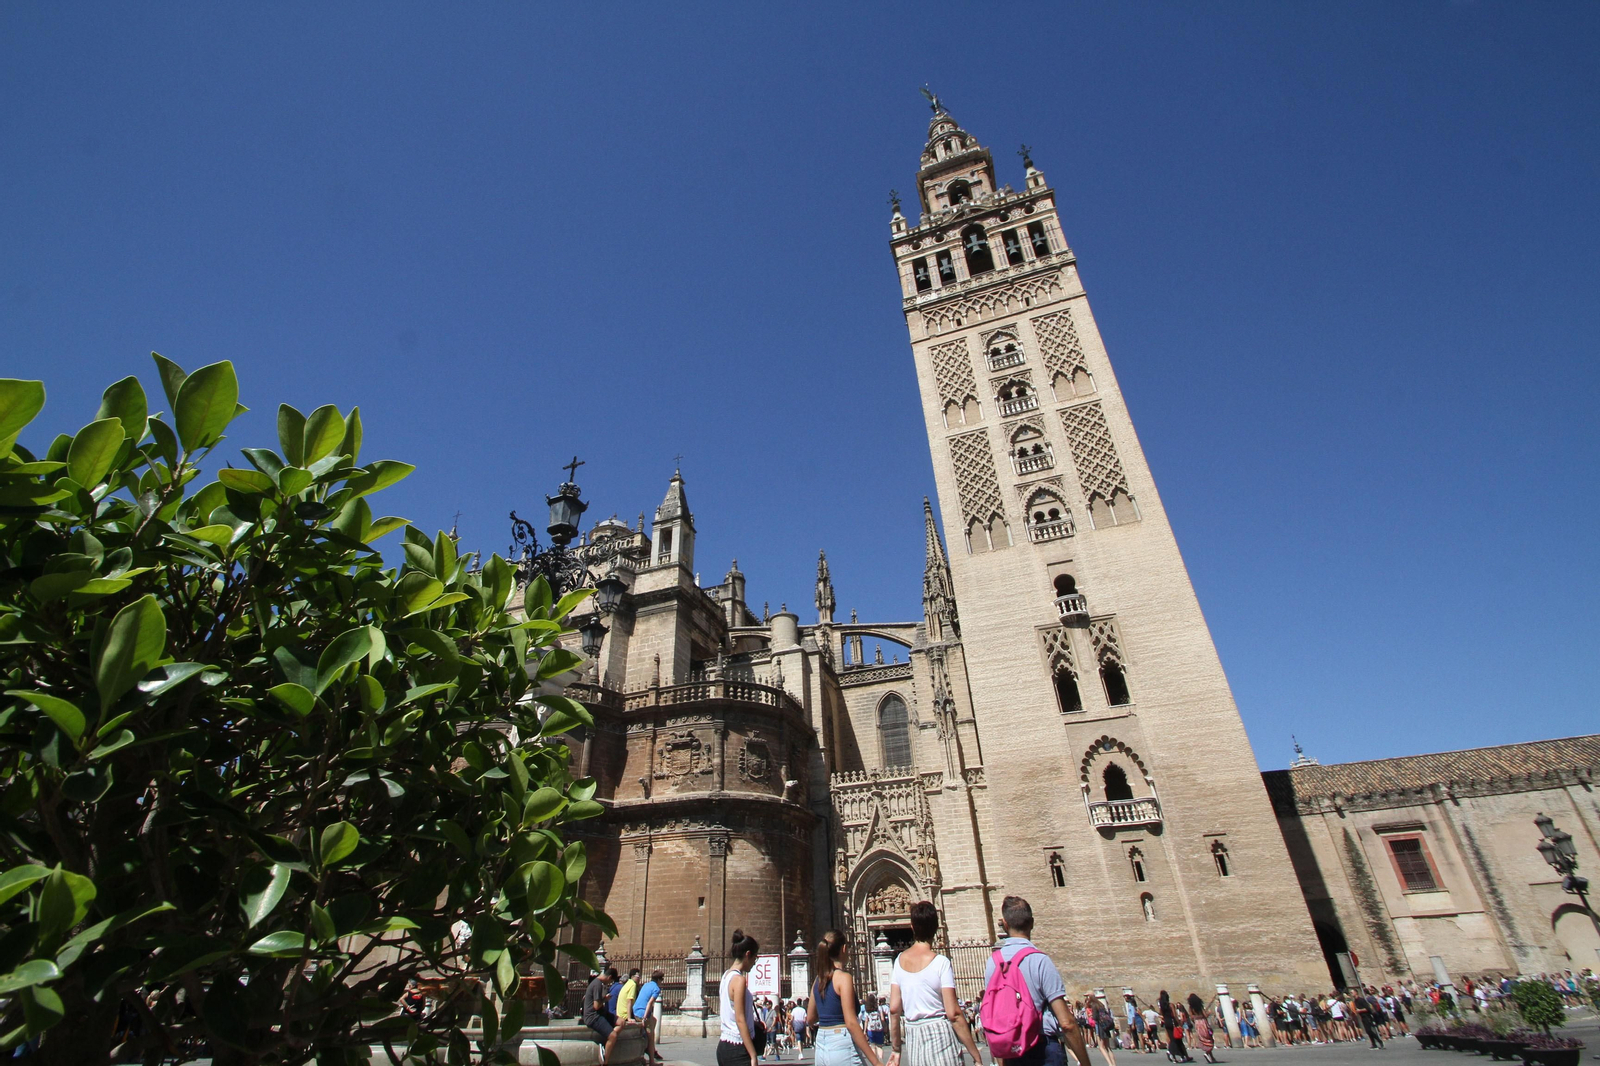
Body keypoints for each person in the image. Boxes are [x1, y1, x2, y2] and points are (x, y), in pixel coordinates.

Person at [980, 895, 1092, 1066]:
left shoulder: (993, 963)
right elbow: (1066, 1022)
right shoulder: (1039, 960)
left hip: (1012, 1052)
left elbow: (995, 1014)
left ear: (1005, 924)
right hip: (1043, 1048)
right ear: (1032, 923)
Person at [886, 899, 986, 1066]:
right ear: (936, 928)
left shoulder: (899, 961)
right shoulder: (941, 962)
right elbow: (953, 1014)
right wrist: (975, 1055)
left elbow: (894, 1009)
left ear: (912, 927)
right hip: (940, 1036)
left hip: (914, 1037)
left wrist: (896, 1050)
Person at [807, 928, 883, 1066]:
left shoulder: (818, 980)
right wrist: (876, 1062)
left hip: (821, 1045)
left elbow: (810, 1018)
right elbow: (851, 1023)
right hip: (841, 1043)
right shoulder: (844, 978)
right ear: (844, 949)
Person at [720, 930, 764, 1066]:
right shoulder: (739, 980)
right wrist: (753, 1056)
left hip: (724, 1046)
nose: (755, 963)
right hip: (738, 1049)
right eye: (755, 958)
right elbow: (740, 1019)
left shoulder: (726, 976)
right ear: (748, 954)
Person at [584, 969, 624, 1064]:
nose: (610, 983)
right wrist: (605, 1000)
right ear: (609, 977)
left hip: (602, 1013)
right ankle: (605, 1061)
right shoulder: (597, 984)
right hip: (593, 1016)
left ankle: (607, 1042)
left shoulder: (599, 983)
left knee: (621, 1022)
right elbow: (596, 1006)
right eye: (610, 981)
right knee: (613, 1036)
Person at [634, 969, 665, 1064]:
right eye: (662, 980)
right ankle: (652, 1061)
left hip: (635, 1010)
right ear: (659, 980)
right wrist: (644, 1018)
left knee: (654, 1020)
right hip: (643, 1013)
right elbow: (649, 1003)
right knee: (651, 1037)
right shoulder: (656, 989)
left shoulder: (646, 985)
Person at [1157, 992, 1188, 1063]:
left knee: (1172, 1038)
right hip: (1172, 1022)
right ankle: (1170, 1051)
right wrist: (1179, 1024)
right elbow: (1174, 1015)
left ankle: (1181, 1055)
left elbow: (1161, 1014)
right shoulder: (1171, 1005)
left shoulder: (1162, 1007)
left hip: (1166, 1022)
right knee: (1175, 1039)